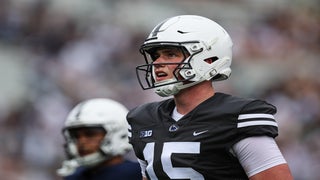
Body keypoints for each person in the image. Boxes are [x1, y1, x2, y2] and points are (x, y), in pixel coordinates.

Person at [127, 15, 293, 180]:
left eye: (170, 54)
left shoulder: (238, 117)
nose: (157, 63)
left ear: (208, 58)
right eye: (156, 56)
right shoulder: (143, 119)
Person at [57, 98, 141, 180]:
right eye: (75, 136)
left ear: (119, 133)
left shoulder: (140, 174)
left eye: (90, 134)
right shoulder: (73, 176)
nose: (81, 142)